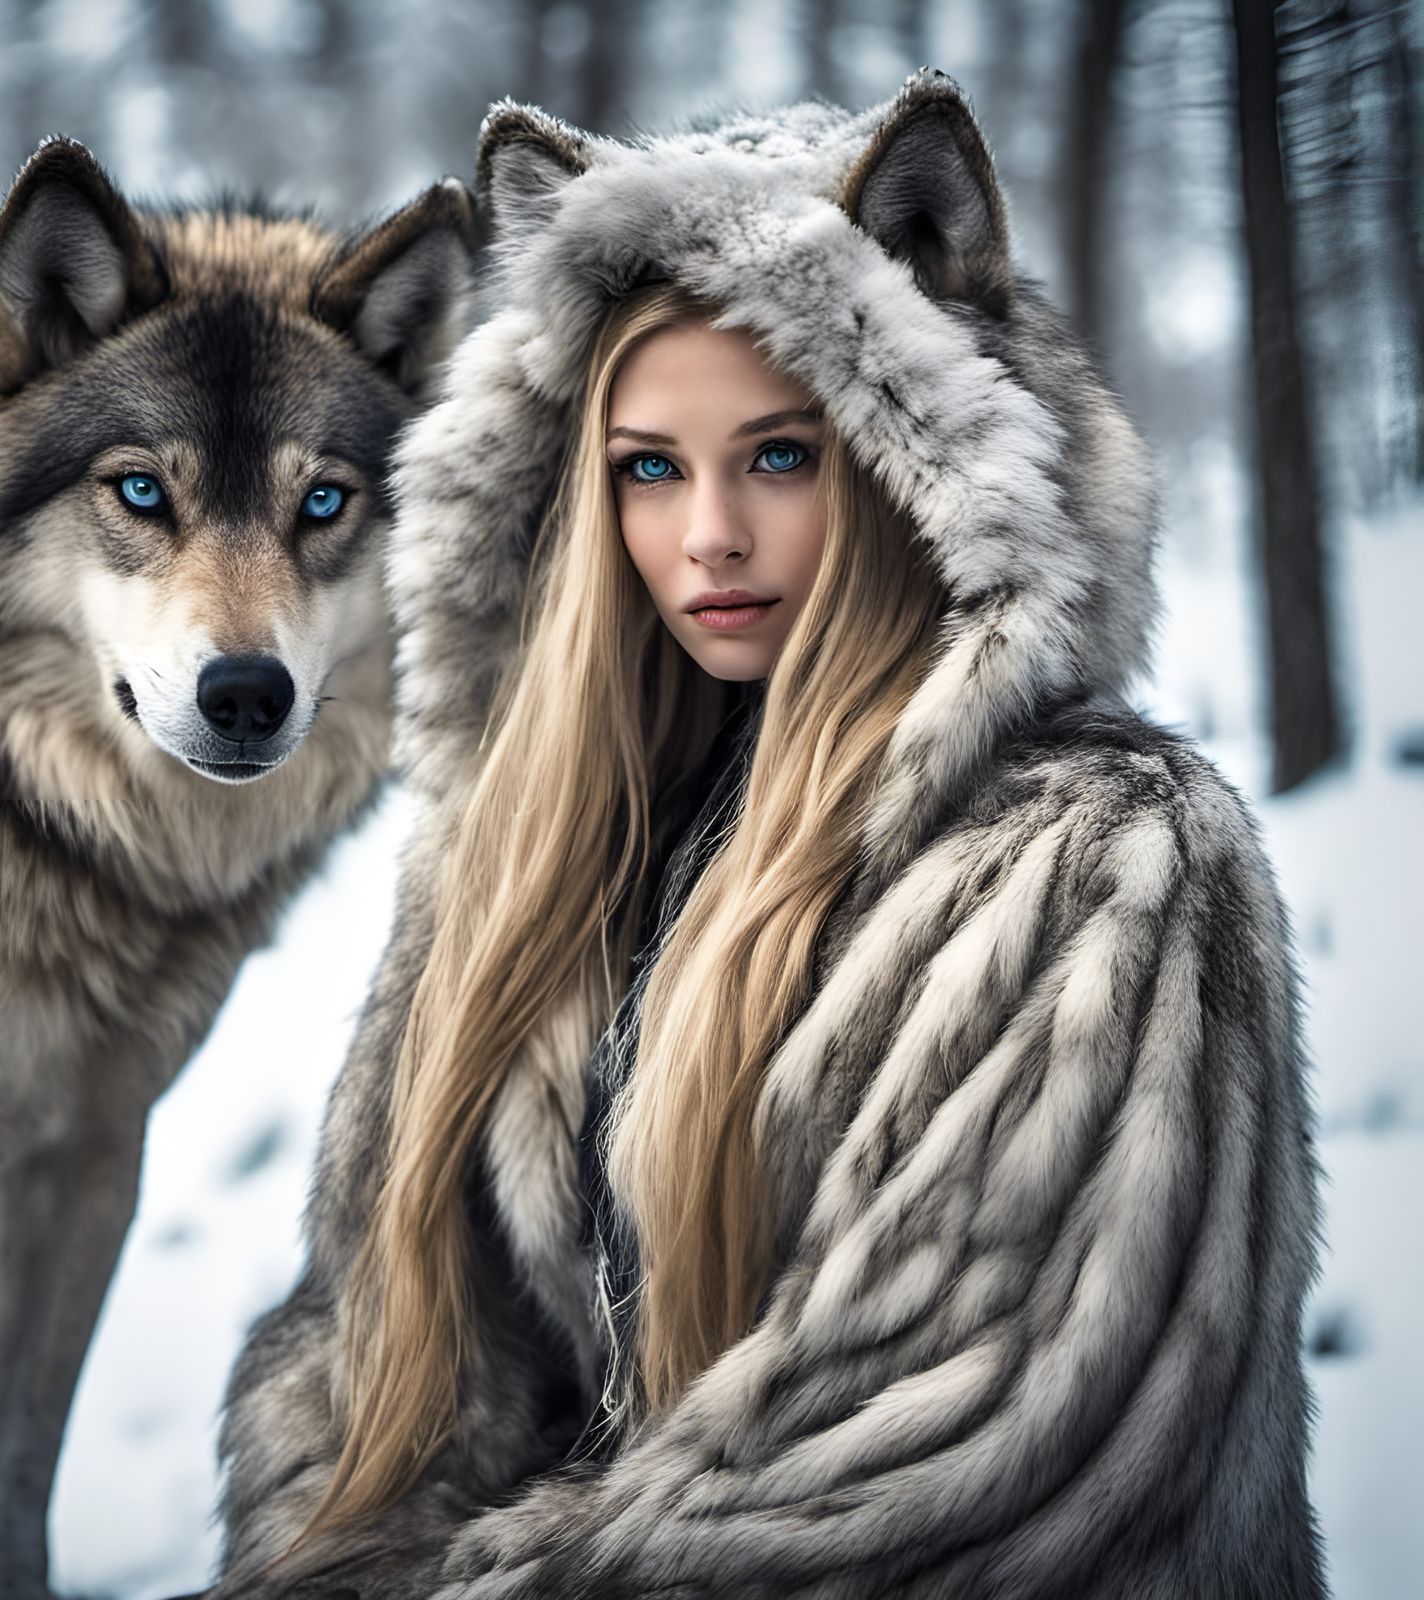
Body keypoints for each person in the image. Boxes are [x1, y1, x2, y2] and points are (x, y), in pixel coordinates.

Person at [210, 71, 1326, 1599]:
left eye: (781, 456)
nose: (708, 535)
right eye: (650, 470)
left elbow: (953, 1464)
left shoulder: (1101, 869)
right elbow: (364, 1370)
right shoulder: (532, 864)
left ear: (911, 465)